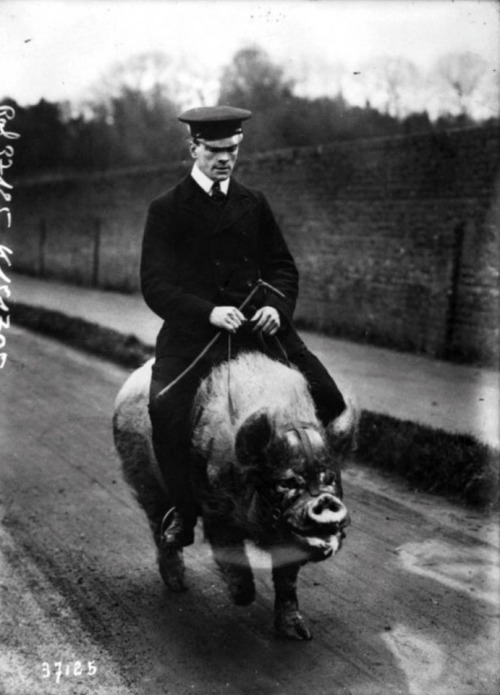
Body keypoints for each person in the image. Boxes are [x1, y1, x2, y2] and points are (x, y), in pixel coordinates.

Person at [140, 106, 346, 548]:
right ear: (193, 147)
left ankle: (315, 494)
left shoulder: (254, 203)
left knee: (330, 400)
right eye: (214, 150)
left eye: (232, 150)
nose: (224, 159)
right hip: (197, 335)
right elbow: (154, 285)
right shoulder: (167, 209)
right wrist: (207, 312)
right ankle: (184, 509)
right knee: (165, 411)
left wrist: (277, 306)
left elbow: (283, 267)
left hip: (259, 327)